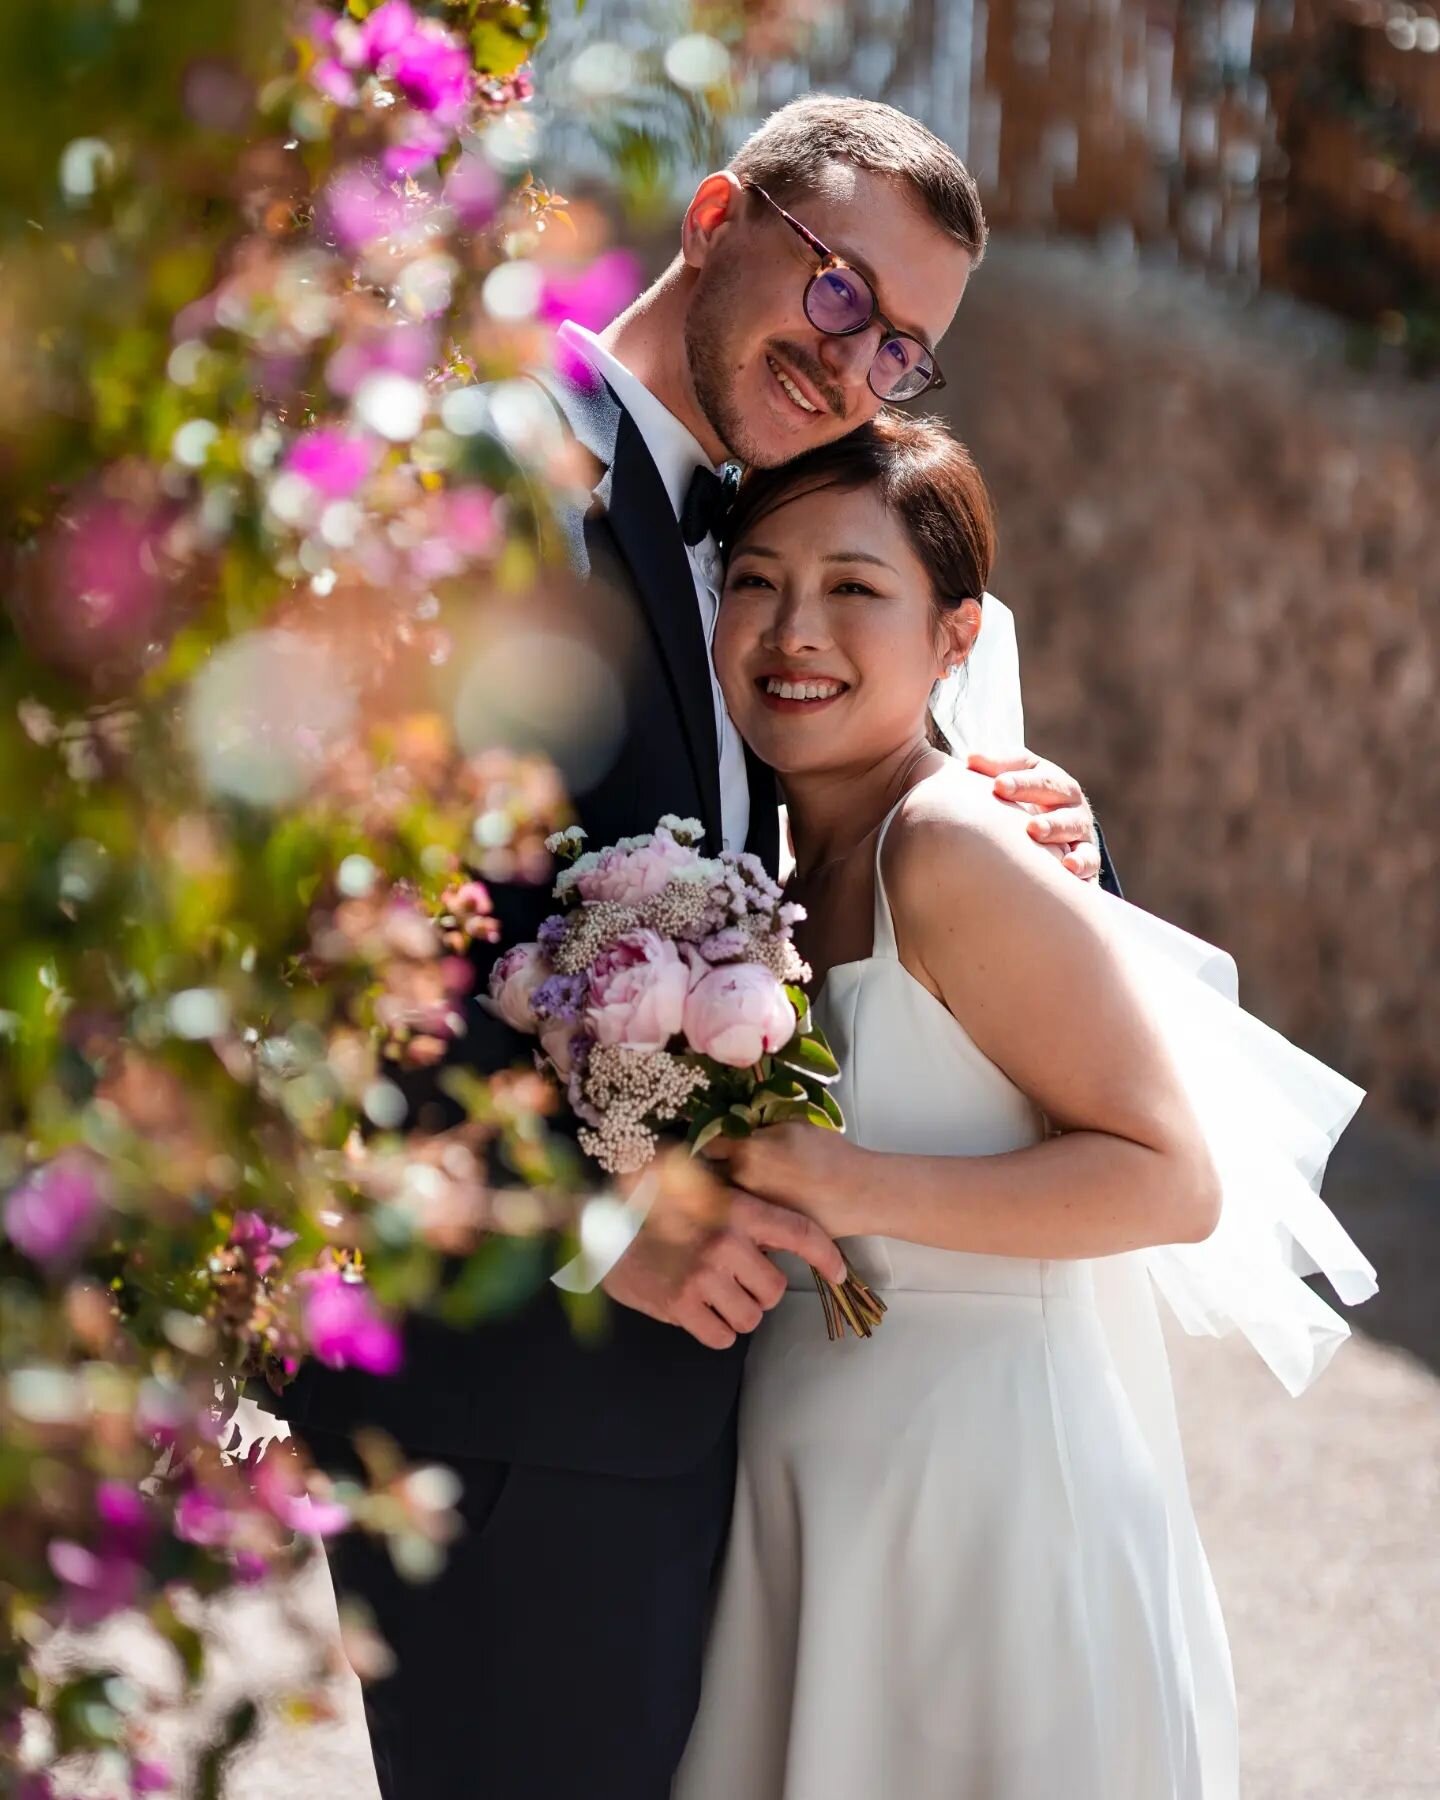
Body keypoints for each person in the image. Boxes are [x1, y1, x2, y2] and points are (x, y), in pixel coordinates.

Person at [272, 99, 1112, 1799]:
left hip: (713, 1429)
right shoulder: (494, 477)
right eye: (837, 292)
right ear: (721, 213)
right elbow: (335, 937)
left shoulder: (751, 538)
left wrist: (1018, 806)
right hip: (525, 1413)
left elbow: (801, 832)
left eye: (905, 347)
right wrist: (594, 1227)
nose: (858, 359)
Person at [672, 411, 1373, 1800]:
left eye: (855, 589)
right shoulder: (762, 868)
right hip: (819, 1491)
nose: (793, 628)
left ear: (955, 637)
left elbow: (1170, 1177)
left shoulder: (949, 847)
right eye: (756, 579)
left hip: (990, 1501)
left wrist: (848, 1180)